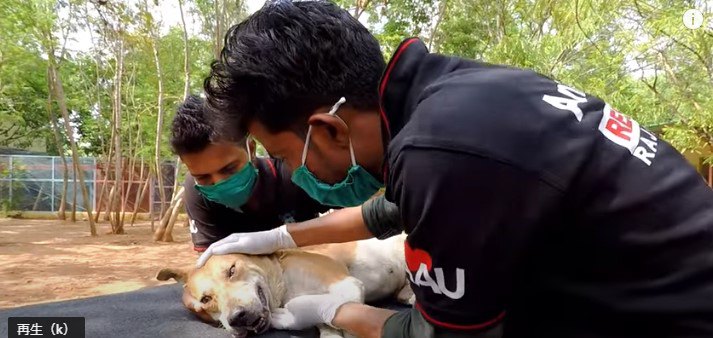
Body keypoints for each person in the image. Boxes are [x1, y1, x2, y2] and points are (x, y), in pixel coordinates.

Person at [197, 1, 713, 337]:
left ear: (328, 129)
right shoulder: (450, 94)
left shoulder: (438, 154)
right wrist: (282, 238)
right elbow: (389, 210)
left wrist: (337, 312)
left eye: (285, 156)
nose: (289, 171)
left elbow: (444, 335)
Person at [170, 95, 330, 252]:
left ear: (251, 149)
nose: (219, 183)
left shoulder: (294, 175)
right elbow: (214, 266)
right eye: (203, 177)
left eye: (229, 168)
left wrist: (283, 237)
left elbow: (355, 214)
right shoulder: (196, 191)